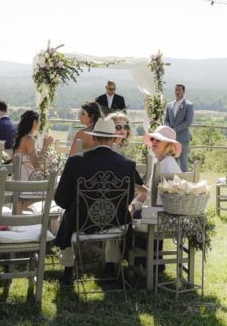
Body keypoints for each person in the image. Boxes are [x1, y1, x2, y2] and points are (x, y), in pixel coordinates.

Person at [53, 116, 147, 283]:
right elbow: (138, 188)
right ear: (113, 139)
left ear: (94, 137)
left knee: (66, 214)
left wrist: (75, 206)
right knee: (114, 213)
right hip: (116, 222)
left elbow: (60, 198)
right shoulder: (127, 164)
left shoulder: (76, 161)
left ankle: (68, 269)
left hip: (81, 221)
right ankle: (111, 267)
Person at [164, 84, 194, 171]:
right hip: (171, 139)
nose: (177, 92)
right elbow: (166, 119)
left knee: (183, 162)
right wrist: (168, 129)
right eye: (176, 90)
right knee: (173, 161)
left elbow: (188, 122)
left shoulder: (189, 105)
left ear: (183, 92)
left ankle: (185, 181)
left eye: (179, 90)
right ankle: (174, 181)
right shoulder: (169, 105)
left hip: (183, 138)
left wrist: (174, 130)